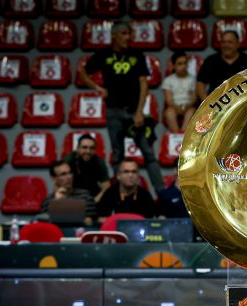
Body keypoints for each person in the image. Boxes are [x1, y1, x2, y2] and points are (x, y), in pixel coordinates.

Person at [77, 19, 163, 194]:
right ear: (114, 35)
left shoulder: (137, 55)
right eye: (124, 33)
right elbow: (82, 71)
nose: (128, 37)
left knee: (148, 154)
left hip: (133, 113)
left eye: (130, 33)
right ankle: (119, 194)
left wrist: (139, 112)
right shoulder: (104, 54)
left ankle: (161, 194)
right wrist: (97, 88)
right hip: (113, 113)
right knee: (117, 156)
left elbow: (144, 84)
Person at [196, 31, 247, 101]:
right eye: (223, 42)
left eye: (230, 42)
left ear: (238, 44)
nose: (226, 45)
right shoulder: (210, 61)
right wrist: (206, 103)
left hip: (241, 101)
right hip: (215, 102)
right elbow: (200, 83)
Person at [41, 160, 97, 226]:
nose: (69, 177)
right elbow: (46, 224)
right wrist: (57, 202)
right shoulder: (48, 201)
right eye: (63, 174)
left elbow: (90, 221)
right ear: (54, 178)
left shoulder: (85, 195)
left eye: (70, 173)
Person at [63, 134, 110, 203]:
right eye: (84, 147)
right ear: (78, 148)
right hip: (72, 196)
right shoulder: (69, 161)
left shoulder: (98, 161)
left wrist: (94, 201)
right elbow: (60, 185)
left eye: (92, 148)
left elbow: (106, 187)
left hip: (92, 196)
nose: (88, 151)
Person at [162, 51, 197, 133]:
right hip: (174, 106)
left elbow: (194, 98)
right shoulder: (168, 80)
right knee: (169, 113)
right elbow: (168, 100)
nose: (183, 66)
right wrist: (176, 107)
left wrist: (187, 106)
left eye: (185, 63)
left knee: (192, 111)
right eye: (180, 64)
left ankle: (184, 133)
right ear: (174, 66)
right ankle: (176, 133)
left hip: (188, 106)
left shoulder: (192, 79)